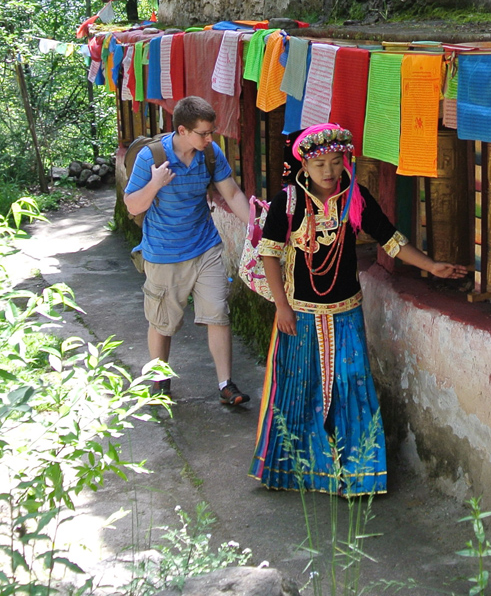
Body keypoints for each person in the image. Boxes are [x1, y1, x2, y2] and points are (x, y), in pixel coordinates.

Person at [250, 123, 468, 496]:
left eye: (337, 162)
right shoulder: (287, 203)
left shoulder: (356, 199)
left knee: (351, 384)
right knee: (300, 387)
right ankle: (297, 472)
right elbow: (269, 254)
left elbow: (391, 240)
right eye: (320, 165)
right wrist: (281, 306)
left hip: (346, 311)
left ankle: (358, 475)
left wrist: (431, 266)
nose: (330, 171)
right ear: (304, 165)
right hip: (299, 313)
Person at [123, 95, 252, 404]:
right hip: (163, 252)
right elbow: (132, 205)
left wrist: (257, 229)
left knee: (218, 313)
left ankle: (226, 385)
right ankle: (160, 379)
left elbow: (231, 192)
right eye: (203, 133)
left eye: (211, 132)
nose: (210, 138)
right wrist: (155, 184)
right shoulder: (150, 157)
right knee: (162, 322)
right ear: (182, 131)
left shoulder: (210, 153)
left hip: (204, 246)